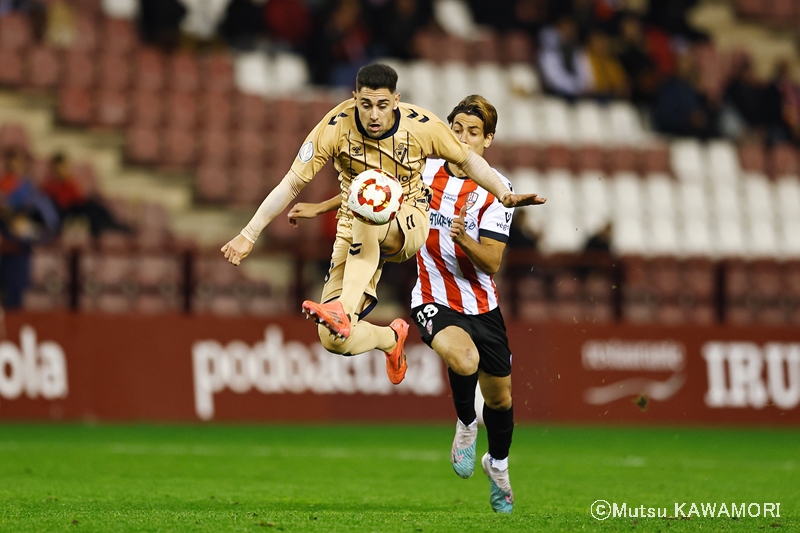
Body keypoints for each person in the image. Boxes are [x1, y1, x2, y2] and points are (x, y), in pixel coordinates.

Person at [287, 95, 539, 514]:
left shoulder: (498, 188)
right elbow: (372, 191)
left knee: (501, 400)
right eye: (456, 129)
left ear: (488, 140)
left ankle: (498, 467)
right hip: (432, 296)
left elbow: (493, 261)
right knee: (463, 360)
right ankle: (464, 424)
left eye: (473, 132)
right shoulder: (424, 169)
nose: (461, 138)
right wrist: (321, 206)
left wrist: (464, 240)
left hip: (482, 303)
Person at [221, 63, 543, 387]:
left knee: (365, 210)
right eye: (366, 104)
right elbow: (291, 183)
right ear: (354, 98)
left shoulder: (422, 126)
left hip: (409, 218)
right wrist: (249, 234)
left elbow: (468, 159)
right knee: (332, 339)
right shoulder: (334, 127)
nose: (374, 114)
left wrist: (502, 193)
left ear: (396, 100)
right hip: (354, 229)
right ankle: (390, 339)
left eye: (382, 105)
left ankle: (343, 308)